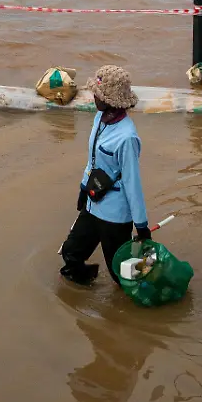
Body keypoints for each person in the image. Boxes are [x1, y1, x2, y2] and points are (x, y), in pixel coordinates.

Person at [59, 65, 150, 287]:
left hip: (115, 215)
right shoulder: (100, 118)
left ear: (111, 100)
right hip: (93, 201)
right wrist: (83, 188)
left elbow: (132, 182)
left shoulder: (127, 137)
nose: (94, 97)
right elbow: (92, 160)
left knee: (120, 273)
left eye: (98, 94)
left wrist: (141, 225)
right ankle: (85, 285)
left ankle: (147, 285)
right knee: (71, 254)